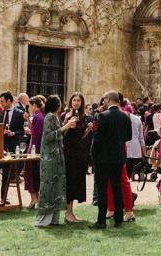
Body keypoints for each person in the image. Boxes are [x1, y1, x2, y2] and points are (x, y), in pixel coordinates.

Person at [91, 90, 131, 229]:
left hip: (103, 158)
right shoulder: (125, 116)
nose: (103, 102)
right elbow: (128, 137)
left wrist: (93, 154)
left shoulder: (103, 116)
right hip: (118, 156)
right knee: (117, 187)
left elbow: (98, 138)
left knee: (102, 189)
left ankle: (101, 220)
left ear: (108, 100)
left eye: (104, 99)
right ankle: (118, 219)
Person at [36, 95, 77, 227]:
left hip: (57, 156)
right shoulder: (49, 117)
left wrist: (67, 126)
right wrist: (66, 127)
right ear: (56, 105)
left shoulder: (55, 117)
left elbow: (58, 135)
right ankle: (44, 219)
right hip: (50, 157)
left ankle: (54, 219)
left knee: (57, 185)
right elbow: (48, 136)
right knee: (49, 185)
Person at [62, 92, 88, 223]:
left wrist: (88, 130)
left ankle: (71, 211)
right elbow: (62, 133)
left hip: (79, 151)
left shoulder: (84, 117)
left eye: (78, 100)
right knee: (69, 180)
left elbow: (81, 136)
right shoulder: (65, 115)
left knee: (77, 180)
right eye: (74, 100)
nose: (76, 102)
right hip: (68, 151)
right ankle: (67, 212)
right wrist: (67, 124)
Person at [24, 95, 45, 207]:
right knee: (36, 175)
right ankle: (36, 199)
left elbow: (36, 136)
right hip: (38, 148)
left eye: (29, 106)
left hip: (35, 149)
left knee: (31, 174)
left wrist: (32, 151)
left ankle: (34, 199)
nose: (28, 108)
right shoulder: (41, 116)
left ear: (34, 105)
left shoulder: (37, 117)